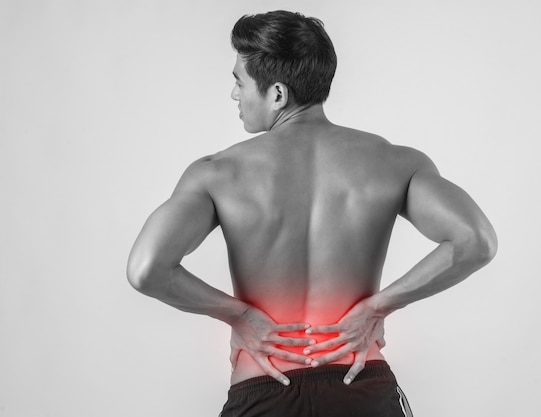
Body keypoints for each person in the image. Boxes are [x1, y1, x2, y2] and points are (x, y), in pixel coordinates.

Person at [127, 10, 497, 417]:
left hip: (264, 389)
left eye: (239, 81)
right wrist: (380, 306)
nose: (235, 94)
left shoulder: (218, 173)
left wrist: (240, 315)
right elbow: (474, 241)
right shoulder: (394, 162)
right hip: (362, 387)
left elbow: (147, 268)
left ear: (278, 94)